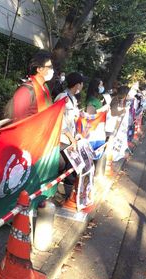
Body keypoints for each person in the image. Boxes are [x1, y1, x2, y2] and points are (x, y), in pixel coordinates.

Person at [53, 72, 85, 203]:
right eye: (82, 84)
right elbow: (59, 121)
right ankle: (57, 197)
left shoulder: (73, 99)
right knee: (62, 168)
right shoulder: (63, 97)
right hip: (62, 140)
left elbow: (72, 121)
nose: (82, 87)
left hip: (70, 140)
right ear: (77, 85)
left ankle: (63, 197)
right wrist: (71, 138)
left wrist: (76, 134)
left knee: (69, 169)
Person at [6, 51, 54, 122]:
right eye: (49, 67)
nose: (52, 70)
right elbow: (17, 120)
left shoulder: (45, 87)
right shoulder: (25, 91)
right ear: (39, 69)